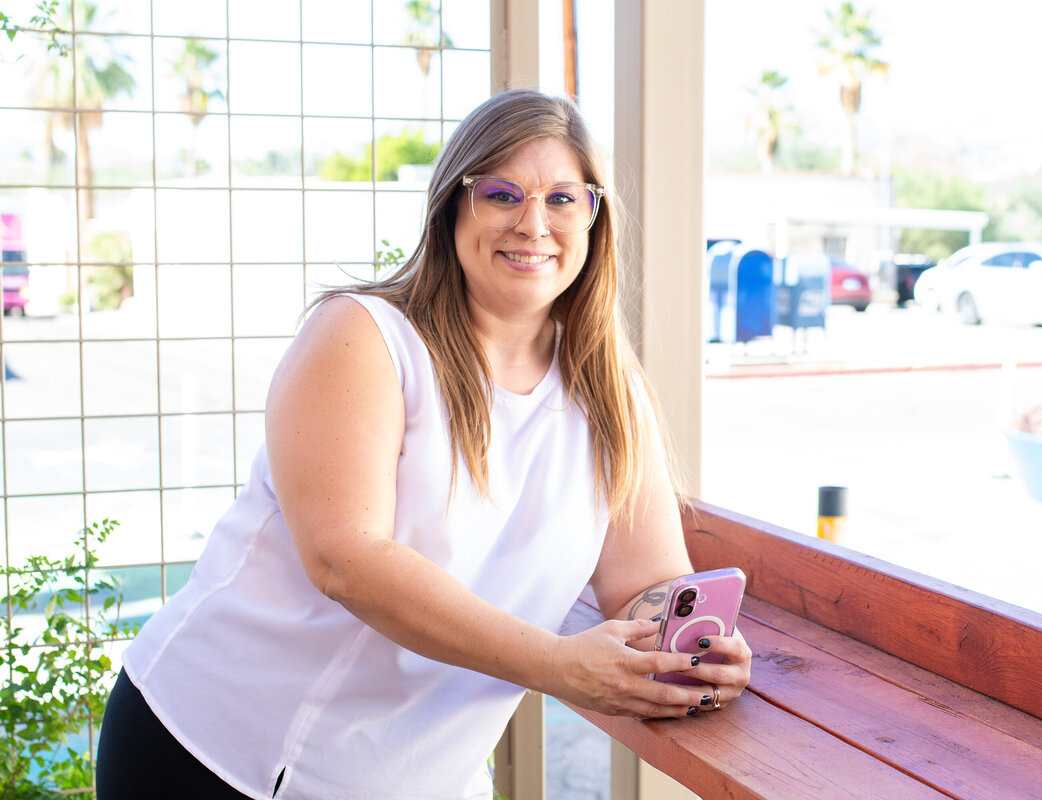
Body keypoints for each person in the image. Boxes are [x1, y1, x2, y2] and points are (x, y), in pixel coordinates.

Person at [96, 88, 752, 800]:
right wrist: (558, 665)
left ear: (594, 218)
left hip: (412, 779)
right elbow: (345, 559)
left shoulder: (610, 390)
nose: (534, 223)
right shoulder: (364, 337)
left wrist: (694, 649)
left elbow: (643, 583)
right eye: (502, 194)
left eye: (564, 199)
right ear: (452, 206)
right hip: (218, 752)